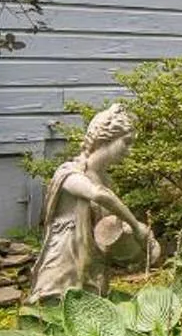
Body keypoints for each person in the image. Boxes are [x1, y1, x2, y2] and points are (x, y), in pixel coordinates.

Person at [28, 103, 156, 299]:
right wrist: (135, 225)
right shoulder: (69, 172)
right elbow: (99, 195)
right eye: (127, 142)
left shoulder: (105, 179)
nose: (130, 151)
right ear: (106, 138)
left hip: (92, 262)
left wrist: (136, 238)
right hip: (65, 258)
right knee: (54, 309)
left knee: (90, 314)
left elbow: (108, 225)